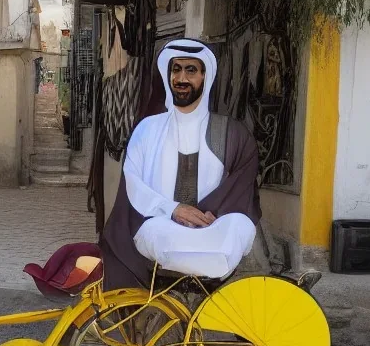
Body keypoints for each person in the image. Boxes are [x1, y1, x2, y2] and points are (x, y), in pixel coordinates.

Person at [101, 38, 262, 290]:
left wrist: (215, 214)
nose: (182, 78)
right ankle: (203, 263)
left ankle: (206, 261)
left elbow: (242, 184)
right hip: (162, 225)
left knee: (239, 227)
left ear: (205, 77)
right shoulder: (147, 129)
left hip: (212, 225)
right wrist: (173, 209)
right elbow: (133, 183)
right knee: (157, 233)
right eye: (176, 69)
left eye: (191, 70)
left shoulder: (230, 133)